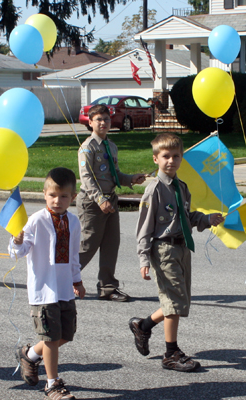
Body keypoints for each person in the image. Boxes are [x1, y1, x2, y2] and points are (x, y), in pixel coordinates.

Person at [130, 133, 224, 371]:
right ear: (155, 159)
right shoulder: (154, 190)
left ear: (181, 158)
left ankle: (143, 327)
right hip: (163, 249)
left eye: (175, 156)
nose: (170, 160)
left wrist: (206, 218)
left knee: (179, 302)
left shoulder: (181, 187)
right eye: (165, 156)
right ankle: (171, 353)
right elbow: (144, 228)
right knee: (174, 303)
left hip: (183, 247)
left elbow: (186, 217)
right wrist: (144, 259)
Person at [9, 167, 85, 400]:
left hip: (64, 288)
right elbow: (19, 252)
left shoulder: (73, 221)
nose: (57, 200)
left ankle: (29, 355)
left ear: (73, 197)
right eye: (53, 195)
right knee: (51, 339)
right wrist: (17, 240)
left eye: (64, 196)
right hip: (43, 290)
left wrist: (77, 280)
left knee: (65, 335)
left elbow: (74, 255)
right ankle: (53, 384)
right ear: (44, 194)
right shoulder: (36, 220)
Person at [77, 104, 146, 301]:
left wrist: (131, 178)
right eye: (98, 119)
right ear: (90, 123)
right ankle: (62, 280)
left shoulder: (111, 146)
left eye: (106, 119)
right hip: (93, 202)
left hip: (111, 200)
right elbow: (87, 178)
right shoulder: (87, 147)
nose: (103, 123)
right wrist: (99, 200)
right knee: (89, 244)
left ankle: (107, 287)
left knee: (111, 244)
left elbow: (114, 174)